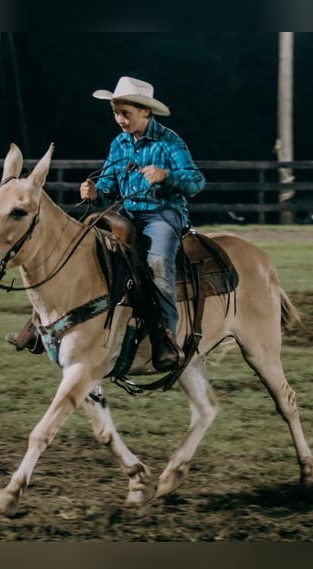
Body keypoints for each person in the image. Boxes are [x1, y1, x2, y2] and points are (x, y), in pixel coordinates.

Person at [79, 76, 205, 371]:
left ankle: (166, 338)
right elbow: (108, 186)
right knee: (81, 246)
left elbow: (196, 182)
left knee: (158, 262)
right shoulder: (119, 144)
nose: (120, 120)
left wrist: (166, 176)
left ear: (145, 112)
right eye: (116, 113)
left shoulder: (170, 142)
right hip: (127, 216)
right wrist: (95, 192)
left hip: (162, 214)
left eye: (126, 113)